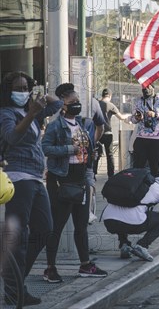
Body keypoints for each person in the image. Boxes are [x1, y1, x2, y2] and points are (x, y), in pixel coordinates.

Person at [0, 72, 61, 306]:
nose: (22, 91)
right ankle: (15, 290)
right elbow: (12, 138)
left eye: (25, 87)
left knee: (45, 229)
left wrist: (41, 94)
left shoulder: (29, 111)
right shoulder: (6, 113)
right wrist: (33, 113)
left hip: (35, 178)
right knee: (19, 236)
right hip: (17, 177)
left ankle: (16, 279)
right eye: (18, 87)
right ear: (7, 91)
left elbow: (56, 104)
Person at [42, 88, 108, 282]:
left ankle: (85, 264)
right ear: (63, 104)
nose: (77, 104)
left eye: (78, 100)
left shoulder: (81, 123)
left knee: (81, 225)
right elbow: (46, 148)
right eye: (73, 101)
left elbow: (89, 143)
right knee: (57, 226)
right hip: (62, 180)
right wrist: (71, 149)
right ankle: (50, 268)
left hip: (80, 179)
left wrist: (90, 157)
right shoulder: (55, 126)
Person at [102, 177, 159, 262]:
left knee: (125, 212)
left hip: (108, 221)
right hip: (131, 222)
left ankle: (124, 245)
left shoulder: (134, 185)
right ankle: (142, 245)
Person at [130, 85, 159, 178]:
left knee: (154, 167)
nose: (146, 90)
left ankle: (154, 187)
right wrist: (137, 118)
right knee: (138, 166)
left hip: (156, 138)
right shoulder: (138, 101)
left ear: (153, 88)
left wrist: (155, 114)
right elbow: (132, 119)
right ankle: (138, 187)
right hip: (141, 137)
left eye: (148, 87)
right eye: (143, 88)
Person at [95, 89, 129, 178]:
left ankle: (93, 173)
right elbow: (121, 117)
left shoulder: (96, 104)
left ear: (102, 95)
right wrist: (128, 116)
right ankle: (111, 174)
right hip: (107, 132)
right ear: (110, 96)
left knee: (95, 153)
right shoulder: (110, 105)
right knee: (110, 155)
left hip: (97, 132)